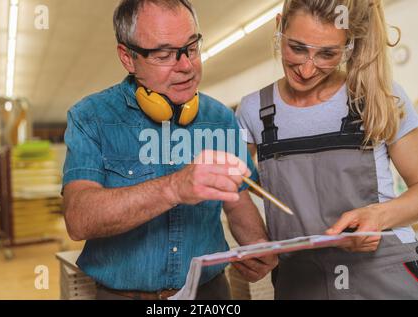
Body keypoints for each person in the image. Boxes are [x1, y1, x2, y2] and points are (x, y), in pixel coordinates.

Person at [62, 0, 277, 300]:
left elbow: (238, 201)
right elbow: (78, 218)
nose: (186, 66)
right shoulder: (90, 117)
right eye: (164, 54)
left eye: (191, 48)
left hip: (209, 294)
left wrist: (257, 245)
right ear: (128, 58)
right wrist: (174, 187)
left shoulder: (220, 119)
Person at [237, 0, 418, 299]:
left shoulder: (378, 97)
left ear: (348, 47)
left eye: (327, 54)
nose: (307, 70)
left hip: (383, 275)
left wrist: (379, 216)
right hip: (299, 282)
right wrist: (255, 241)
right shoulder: (254, 110)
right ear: (279, 26)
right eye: (296, 48)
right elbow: (233, 189)